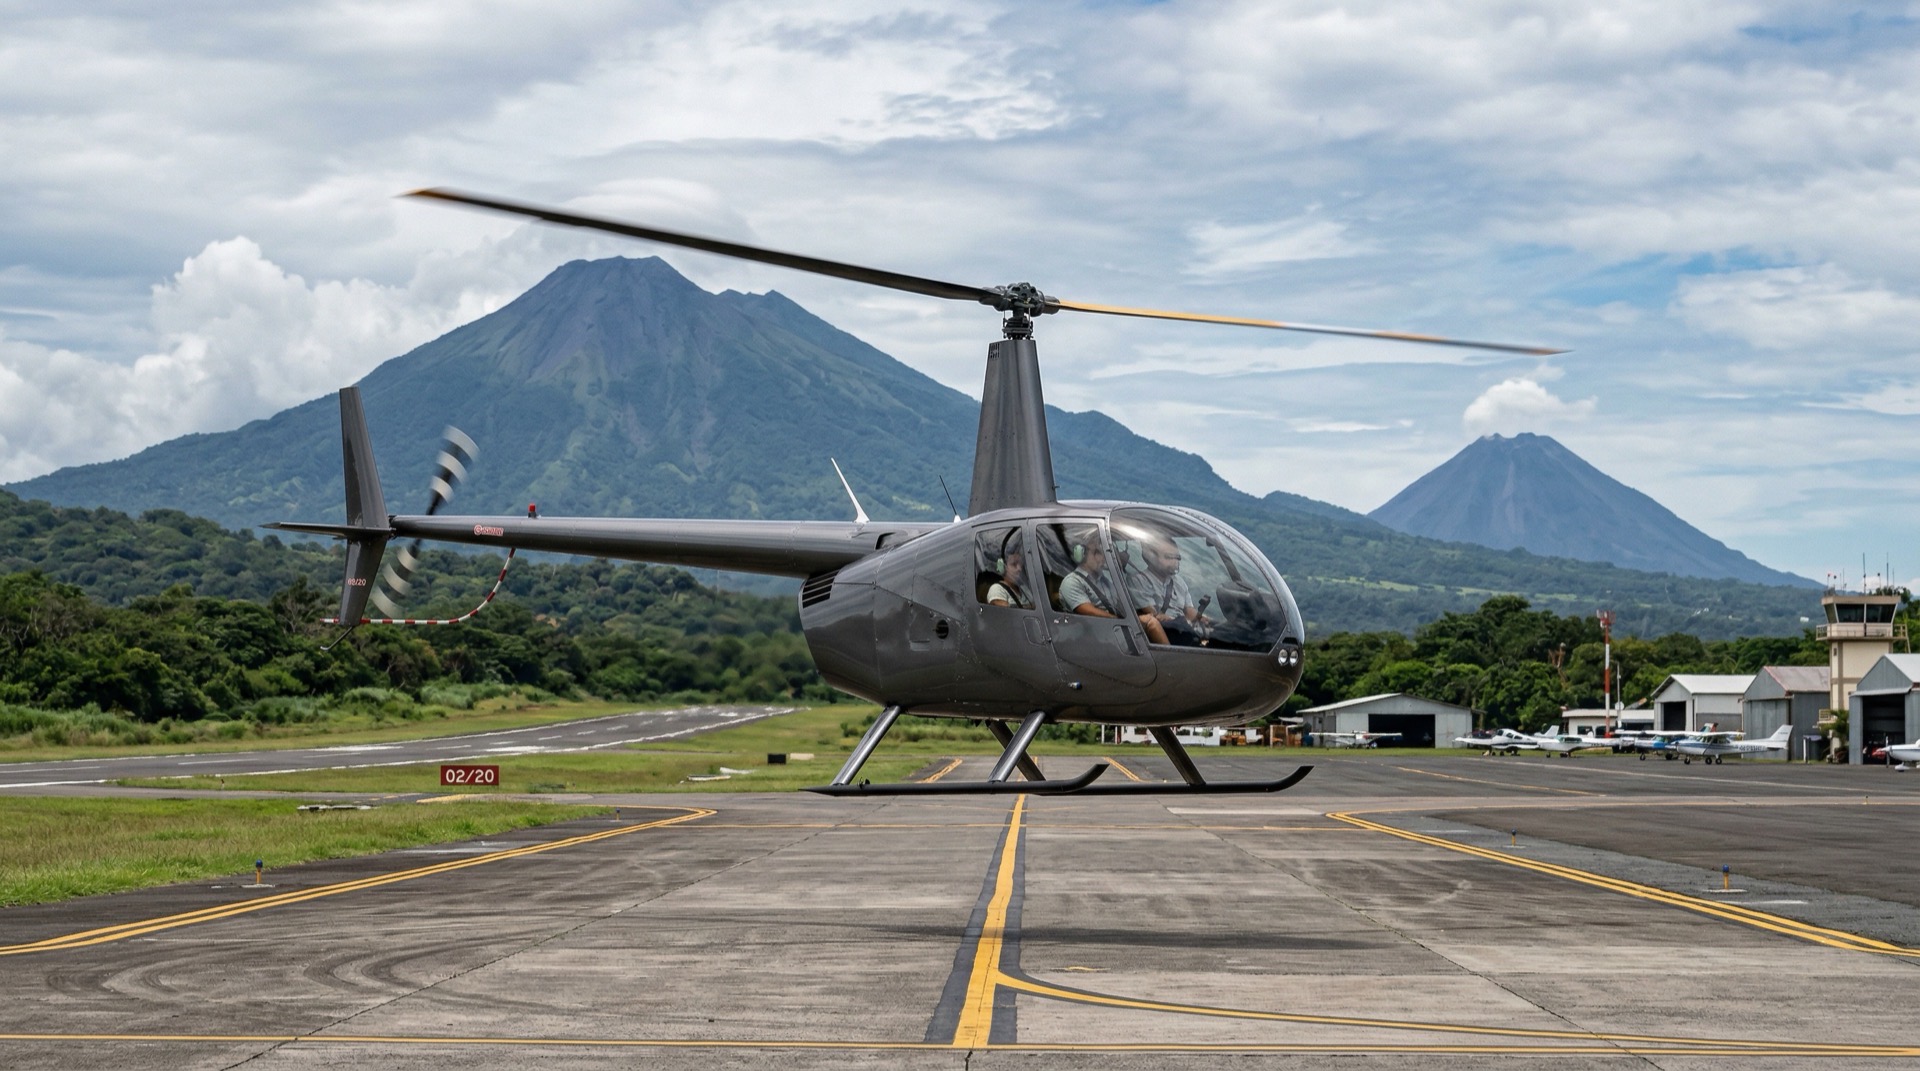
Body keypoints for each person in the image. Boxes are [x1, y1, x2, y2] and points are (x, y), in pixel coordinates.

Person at [1061, 542, 1168, 645]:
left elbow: (1119, 604)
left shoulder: (1104, 581)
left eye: (1103, 553)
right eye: (1097, 553)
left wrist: (1141, 615)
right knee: (1152, 624)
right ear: (1082, 555)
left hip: (1111, 629)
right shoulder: (1072, 581)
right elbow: (1087, 611)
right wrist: (1124, 621)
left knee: (1158, 621)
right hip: (1093, 634)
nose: (1102, 558)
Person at [1128, 539, 1208, 645]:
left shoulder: (1179, 582)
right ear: (1151, 558)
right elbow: (1153, 614)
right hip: (1165, 631)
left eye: (1177, 557)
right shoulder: (1138, 581)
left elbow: (1189, 611)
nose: (1175, 562)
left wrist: (1203, 619)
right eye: (1169, 557)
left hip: (1183, 630)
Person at [985, 543, 1032, 608]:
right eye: (1014, 564)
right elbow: (1006, 613)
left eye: (1020, 564)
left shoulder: (1025, 589)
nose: (1019, 568)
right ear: (1003, 568)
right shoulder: (997, 589)